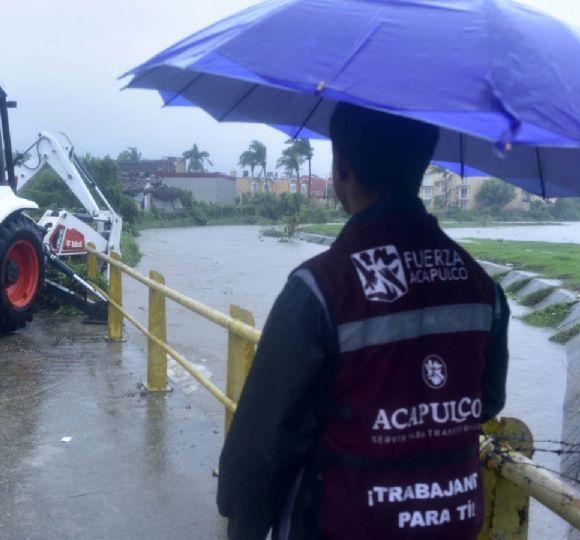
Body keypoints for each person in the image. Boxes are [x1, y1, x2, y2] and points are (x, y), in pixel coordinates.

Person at [216, 103, 509, 540]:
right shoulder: (482, 287)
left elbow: (264, 446)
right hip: (453, 523)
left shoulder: (320, 288)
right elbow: (486, 399)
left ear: (343, 167)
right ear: (423, 161)